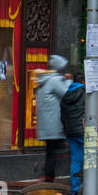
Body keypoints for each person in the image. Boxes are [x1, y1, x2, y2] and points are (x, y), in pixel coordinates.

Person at [34, 54, 68, 182]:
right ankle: (50, 177)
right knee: (58, 151)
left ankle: (49, 176)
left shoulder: (45, 79)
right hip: (54, 124)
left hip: (47, 124)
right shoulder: (55, 80)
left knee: (50, 151)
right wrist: (69, 82)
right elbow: (67, 93)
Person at [61, 68, 85, 195]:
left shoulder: (66, 95)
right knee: (88, 159)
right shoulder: (86, 93)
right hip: (83, 131)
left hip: (70, 132)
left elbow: (62, 116)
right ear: (83, 81)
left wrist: (66, 130)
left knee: (75, 160)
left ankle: (74, 192)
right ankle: (87, 189)